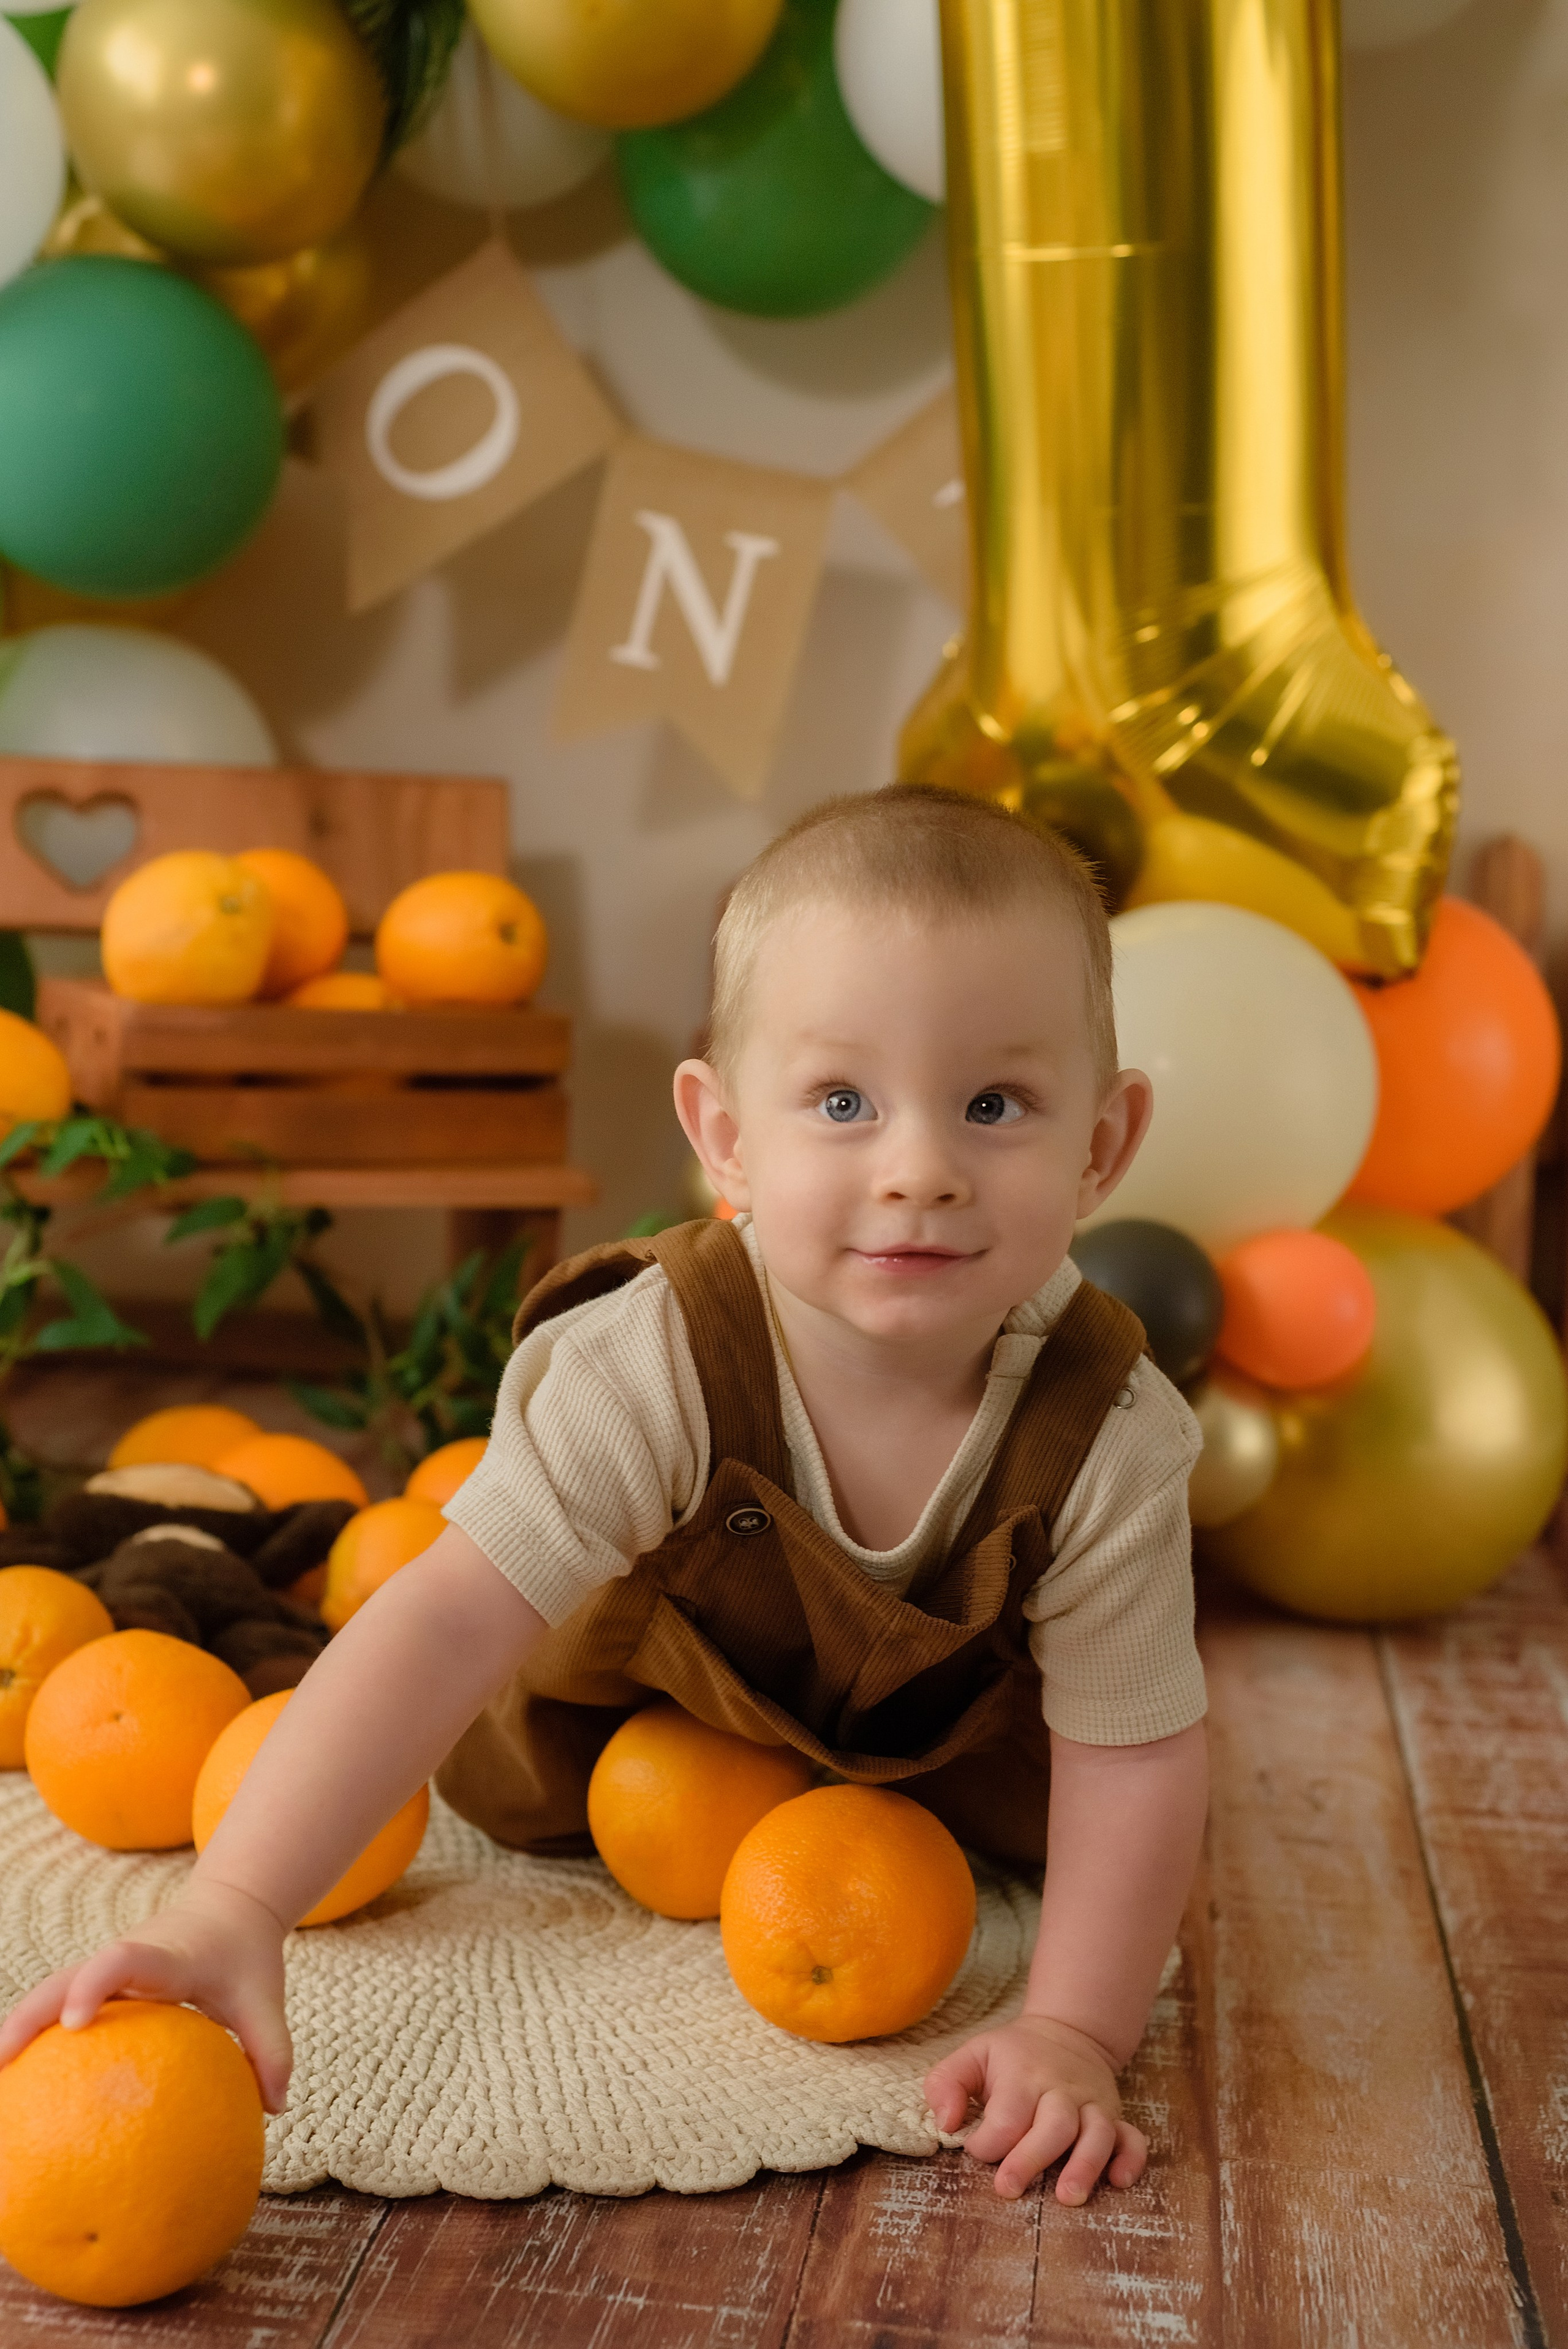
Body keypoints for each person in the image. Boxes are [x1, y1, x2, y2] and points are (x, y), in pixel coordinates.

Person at [0, 785, 1208, 2208]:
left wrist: (1073, 2026)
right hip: (649, 1707)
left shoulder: (1111, 1433)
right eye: (839, 1101)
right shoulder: (653, 1362)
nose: (918, 1172)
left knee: (1037, 1833)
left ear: (1101, 1147)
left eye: (993, 1104)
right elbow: (440, 1622)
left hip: (931, 1749)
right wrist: (234, 1905)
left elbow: (1134, 1753)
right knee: (512, 1753)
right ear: (724, 1136)